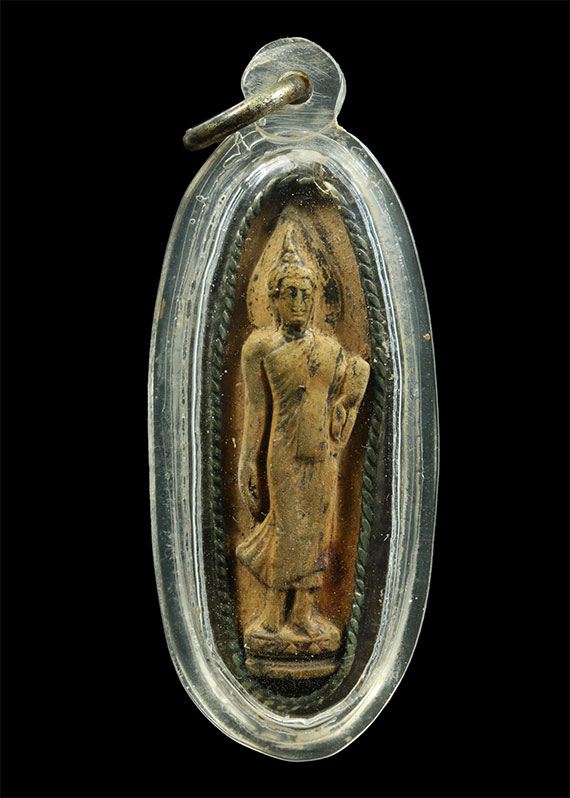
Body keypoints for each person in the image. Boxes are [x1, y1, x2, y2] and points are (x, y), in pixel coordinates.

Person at [236, 229, 369, 658]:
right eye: (289, 294)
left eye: (305, 295)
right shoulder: (260, 346)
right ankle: (272, 615)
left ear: (315, 300)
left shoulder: (329, 349)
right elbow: (255, 410)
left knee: (317, 531)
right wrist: (246, 463)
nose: (298, 303)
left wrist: (352, 390)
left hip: (322, 455)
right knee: (289, 528)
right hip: (284, 453)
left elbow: (346, 395)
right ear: (273, 299)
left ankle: (303, 615)